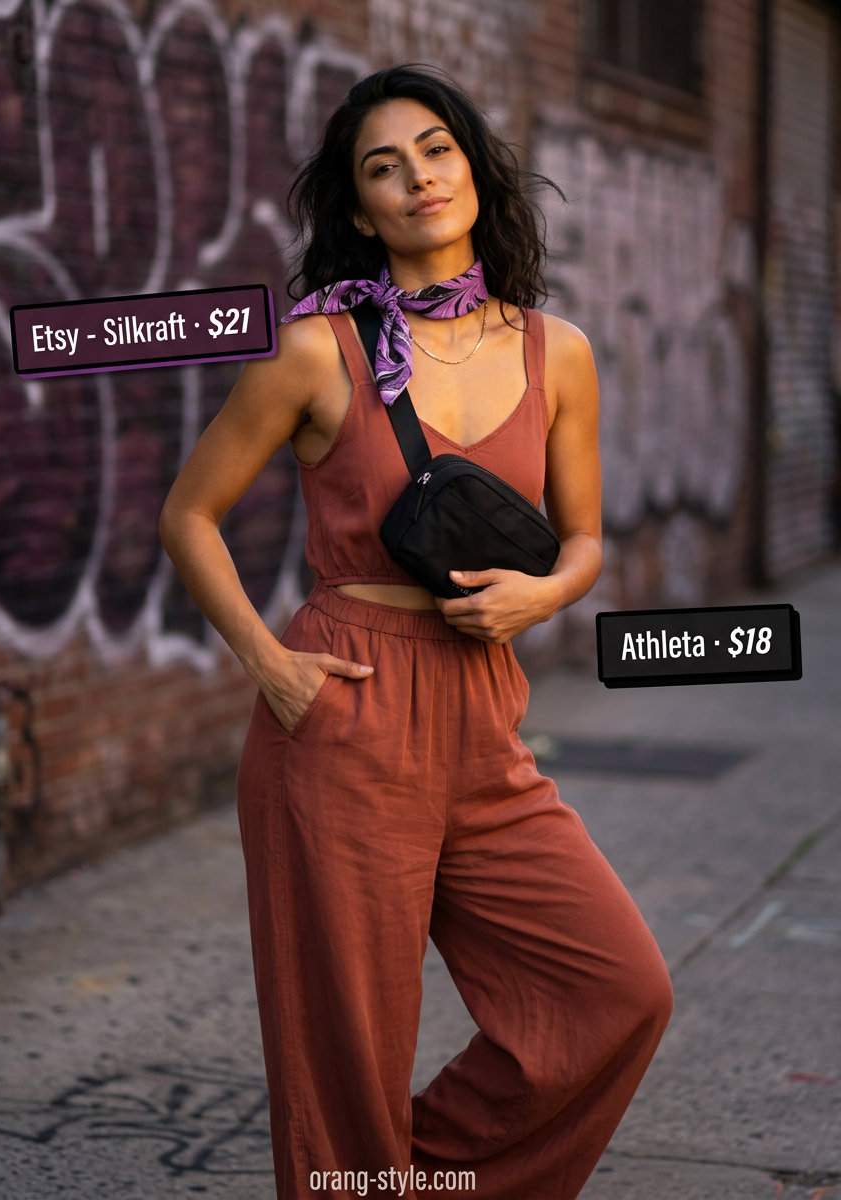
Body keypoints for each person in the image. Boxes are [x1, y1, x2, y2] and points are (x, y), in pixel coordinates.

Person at [159, 63, 672, 1200]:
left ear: (473, 170)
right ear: (358, 209)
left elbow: (580, 539)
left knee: (615, 992)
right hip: (342, 710)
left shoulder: (557, 352)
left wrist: (543, 595)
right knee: (346, 1054)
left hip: (485, 722)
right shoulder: (313, 350)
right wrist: (269, 665)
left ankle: (404, 1183)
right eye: (381, 167)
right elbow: (186, 514)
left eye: (434, 149)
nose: (415, 178)